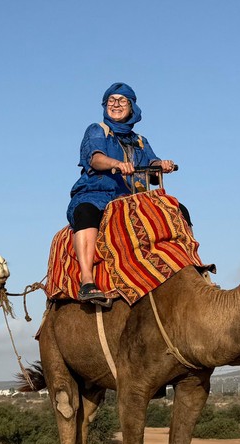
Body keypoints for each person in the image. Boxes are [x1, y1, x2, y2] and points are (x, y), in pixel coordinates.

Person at [67, 82, 178, 306]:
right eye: (111, 101)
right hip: (98, 192)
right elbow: (95, 158)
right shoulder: (98, 130)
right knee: (85, 212)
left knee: (177, 209)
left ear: (132, 107)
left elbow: (151, 165)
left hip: (132, 198)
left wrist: (162, 164)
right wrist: (116, 163)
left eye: (122, 101)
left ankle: (189, 268)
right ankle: (87, 281)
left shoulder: (139, 140)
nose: (116, 105)